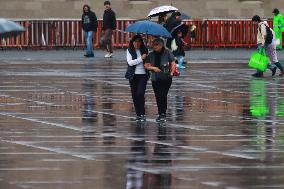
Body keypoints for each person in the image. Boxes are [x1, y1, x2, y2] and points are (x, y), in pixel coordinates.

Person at [144, 38, 176, 122]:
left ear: (161, 45)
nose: (154, 47)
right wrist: (153, 68)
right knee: (158, 96)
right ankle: (160, 113)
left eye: (156, 45)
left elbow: (173, 63)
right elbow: (146, 66)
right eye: (153, 45)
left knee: (163, 95)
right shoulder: (151, 54)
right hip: (155, 78)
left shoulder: (167, 52)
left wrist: (172, 72)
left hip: (166, 78)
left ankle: (163, 113)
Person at [126, 35, 148, 122]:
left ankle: (142, 113)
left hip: (143, 75)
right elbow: (130, 63)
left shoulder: (145, 50)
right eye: (135, 41)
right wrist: (141, 58)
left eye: (139, 41)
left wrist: (146, 59)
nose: (137, 43)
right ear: (132, 42)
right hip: (133, 75)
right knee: (135, 95)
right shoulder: (129, 50)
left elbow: (148, 61)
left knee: (140, 94)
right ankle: (138, 114)